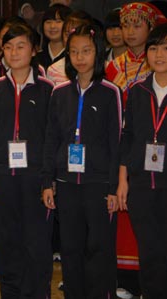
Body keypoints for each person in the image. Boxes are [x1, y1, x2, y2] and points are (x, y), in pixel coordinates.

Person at [42, 24, 122, 299]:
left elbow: (116, 143)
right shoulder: (60, 92)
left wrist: (113, 187)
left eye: (86, 51)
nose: (79, 57)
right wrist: (48, 182)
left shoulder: (111, 92)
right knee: (71, 248)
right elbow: (51, 139)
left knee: (99, 248)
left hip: (98, 184)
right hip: (66, 183)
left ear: (97, 53)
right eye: (73, 52)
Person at [0, 22, 54, 299]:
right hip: (2, 177)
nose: (14, 52)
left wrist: (48, 180)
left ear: (34, 50)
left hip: (35, 178)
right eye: (7, 47)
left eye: (20, 46)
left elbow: (51, 138)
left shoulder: (47, 90)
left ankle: (37, 293)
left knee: (37, 242)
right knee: (7, 241)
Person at [105, 4, 160, 297]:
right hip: (121, 148)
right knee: (123, 212)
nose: (130, 31)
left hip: (147, 149)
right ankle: (125, 279)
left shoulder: (157, 66)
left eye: (137, 26)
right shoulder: (112, 65)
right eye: (126, 25)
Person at [117, 23, 167, 299]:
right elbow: (128, 137)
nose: (159, 54)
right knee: (149, 249)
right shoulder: (137, 91)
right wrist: (123, 181)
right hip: (140, 185)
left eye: (166, 48)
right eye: (154, 48)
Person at [46, 10, 94, 85]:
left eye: (76, 34)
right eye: (67, 34)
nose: (71, 40)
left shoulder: (106, 67)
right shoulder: (54, 70)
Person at [36, 4, 72, 70]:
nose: (52, 26)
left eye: (58, 21)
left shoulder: (72, 57)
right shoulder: (37, 57)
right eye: (48, 22)